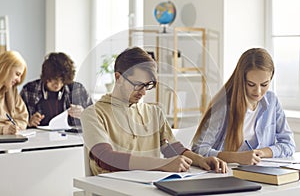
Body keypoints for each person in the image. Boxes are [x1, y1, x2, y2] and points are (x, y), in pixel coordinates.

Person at [81, 47, 227, 175]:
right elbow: (106, 159)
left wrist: (201, 160)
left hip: (150, 187)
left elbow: (172, 149)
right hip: (111, 190)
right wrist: (162, 164)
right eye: (138, 85)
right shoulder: (93, 114)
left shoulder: (154, 113)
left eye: (148, 85)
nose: (144, 92)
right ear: (118, 78)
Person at [192, 48, 295, 165]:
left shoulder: (272, 101)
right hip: (225, 175)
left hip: (261, 172)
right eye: (251, 84)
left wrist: (261, 153)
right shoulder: (223, 106)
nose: (258, 91)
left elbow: (289, 144)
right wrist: (237, 157)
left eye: (264, 84)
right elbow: (199, 150)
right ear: (241, 80)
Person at [20, 52, 93, 128]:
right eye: (54, 79)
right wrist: (28, 122)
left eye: (62, 80)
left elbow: (97, 119)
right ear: (46, 76)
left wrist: (84, 114)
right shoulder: (29, 90)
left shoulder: (78, 90)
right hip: (39, 138)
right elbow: (17, 122)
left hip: (71, 138)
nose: (58, 84)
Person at [0, 51, 28, 134]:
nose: (19, 80)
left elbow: (23, 120)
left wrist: (10, 127)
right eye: (17, 74)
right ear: (5, 68)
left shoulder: (12, 90)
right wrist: (3, 129)